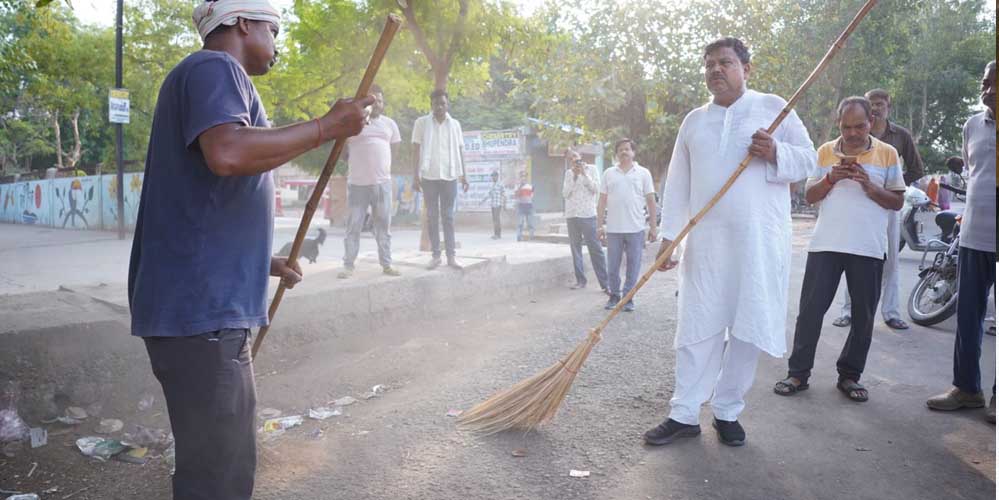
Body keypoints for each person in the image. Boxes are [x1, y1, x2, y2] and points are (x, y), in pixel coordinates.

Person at [127, 1, 373, 498]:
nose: (277, 45)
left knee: (211, 465)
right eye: (274, 30)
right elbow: (228, 153)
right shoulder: (214, 68)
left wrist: (261, 264)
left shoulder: (210, 79)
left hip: (201, 311)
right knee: (221, 476)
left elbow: (204, 204)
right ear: (243, 23)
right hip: (203, 316)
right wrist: (325, 127)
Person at [644, 37, 816, 447]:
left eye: (725, 62)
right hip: (706, 243)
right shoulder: (693, 121)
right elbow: (678, 183)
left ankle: (727, 410)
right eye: (709, 64)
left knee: (747, 325)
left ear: (746, 68)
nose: (715, 70)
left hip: (757, 242)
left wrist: (775, 151)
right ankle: (684, 413)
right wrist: (670, 237)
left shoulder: (774, 107)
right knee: (697, 323)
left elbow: (809, 159)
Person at [774, 96, 905, 404]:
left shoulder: (887, 153)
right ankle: (798, 373)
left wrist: (869, 185)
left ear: (871, 122)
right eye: (846, 127)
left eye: (859, 126)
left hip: (868, 248)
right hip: (825, 245)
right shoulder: (825, 151)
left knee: (863, 317)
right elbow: (810, 196)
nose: (853, 133)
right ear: (838, 125)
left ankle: (850, 375)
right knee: (810, 312)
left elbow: (897, 201)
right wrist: (831, 177)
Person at [926, 60, 996, 424]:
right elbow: (972, 173)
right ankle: (966, 388)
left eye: (996, 83)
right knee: (968, 315)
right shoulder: (972, 125)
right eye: (985, 82)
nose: (988, 90)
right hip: (974, 237)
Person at [832, 89, 925, 331]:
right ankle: (848, 311)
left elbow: (917, 169)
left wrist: (892, 184)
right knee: (854, 255)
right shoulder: (857, 131)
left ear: (888, 107)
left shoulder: (901, 136)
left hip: (888, 203)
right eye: (871, 104)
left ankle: (891, 312)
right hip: (858, 203)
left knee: (891, 258)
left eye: (880, 104)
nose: (875, 107)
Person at [339, 84, 402, 279]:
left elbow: (395, 150)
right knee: (354, 227)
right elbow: (343, 154)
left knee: (383, 227)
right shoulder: (353, 125)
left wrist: (382, 167)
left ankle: (387, 264)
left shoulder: (390, 124)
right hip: (357, 185)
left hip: (382, 185)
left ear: (383, 104)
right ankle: (348, 266)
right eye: (373, 101)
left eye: (380, 101)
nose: (376, 105)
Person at [597, 138, 656, 312]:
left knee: (633, 266)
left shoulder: (643, 173)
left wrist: (653, 227)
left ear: (633, 152)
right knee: (612, 266)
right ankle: (614, 296)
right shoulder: (608, 173)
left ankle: (628, 298)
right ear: (616, 153)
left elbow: (651, 201)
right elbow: (602, 201)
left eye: (627, 149)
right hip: (613, 229)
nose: (624, 152)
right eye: (621, 149)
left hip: (636, 228)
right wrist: (599, 226)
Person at [412, 90, 468, 270]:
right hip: (429, 176)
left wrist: (464, 175)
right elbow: (416, 150)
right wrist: (415, 176)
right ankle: (436, 256)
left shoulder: (455, 125)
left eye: (443, 103)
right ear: (431, 105)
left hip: (450, 176)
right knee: (432, 216)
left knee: (448, 216)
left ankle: (451, 256)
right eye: (436, 103)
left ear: (447, 104)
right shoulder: (421, 123)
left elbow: (460, 150)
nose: (440, 107)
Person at [563, 149, 608, 292]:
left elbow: (596, 189)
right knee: (575, 249)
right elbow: (565, 194)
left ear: (580, 157)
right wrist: (575, 177)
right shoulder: (568, 173)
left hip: (588, 214)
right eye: (570, 159)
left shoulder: (592, 169)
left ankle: (605, 283)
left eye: (575, 157)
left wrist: (584, 174)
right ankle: (580, 281)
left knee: (595, 249)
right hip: (572, 215)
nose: (573, 160)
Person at [480, 171, 506, 239]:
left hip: (498, 204)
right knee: (494, 220)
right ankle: (495, 234)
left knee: (497, 219)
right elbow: (489, 194)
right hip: (493, 205)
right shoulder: (492, 185)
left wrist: (504, 204)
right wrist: (482, 201)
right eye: (492, 176)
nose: (493, 178)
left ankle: (498, 235)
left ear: (497, 176)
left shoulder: (500, 184)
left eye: (494, 176)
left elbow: (504, 194)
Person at [515, 171, 536, 241]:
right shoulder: (517, 186)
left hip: (529, 206)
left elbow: (531, 196)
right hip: (521, 206)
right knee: (520, 223)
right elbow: (516, 195)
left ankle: (531, 236)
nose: (523, 178)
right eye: (522, 176)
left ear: (526, 177)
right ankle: (519, 236)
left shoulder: (531, 186)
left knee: (530, 223)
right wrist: (520, 187)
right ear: (520, 177)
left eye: (524, 176)